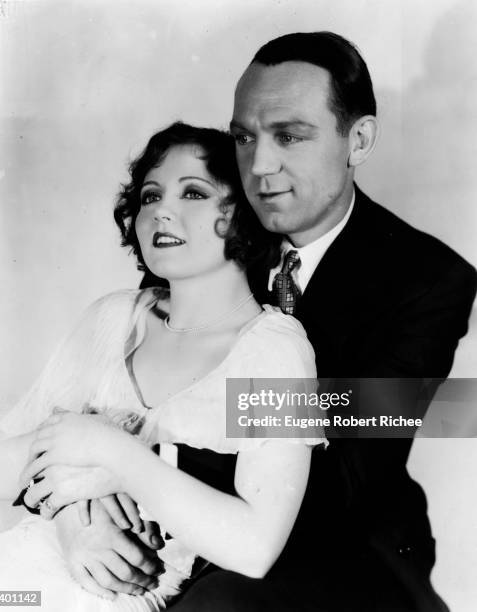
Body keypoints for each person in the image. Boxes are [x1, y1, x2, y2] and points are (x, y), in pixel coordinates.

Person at [140, 33, 474, 611]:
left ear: (358, 139)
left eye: (289, 136)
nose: (260, 165)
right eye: (244, 137)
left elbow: (345, 472)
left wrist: (145, 461)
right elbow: (138, 382)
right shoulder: (214, 224)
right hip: (182, 525)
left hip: (345, 551)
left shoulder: (428, 280)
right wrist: (89, 513)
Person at [0, 122, 325, 611]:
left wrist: (111, 450)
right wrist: (75, 520)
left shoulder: (274, 352)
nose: (161, 211)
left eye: (193, 192)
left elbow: (255, 548)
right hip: (15, 576)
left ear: (248, 213)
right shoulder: (116, 318)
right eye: (149, 196)